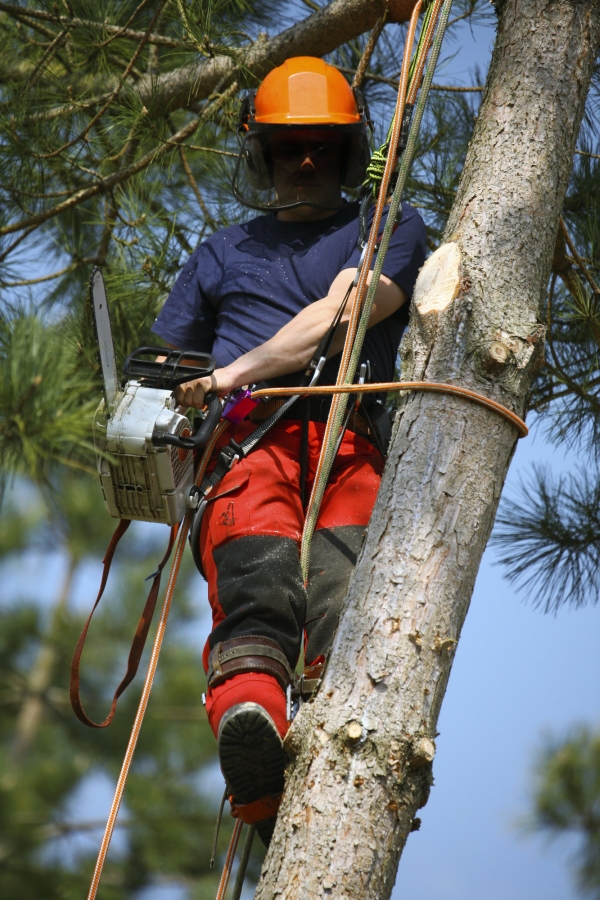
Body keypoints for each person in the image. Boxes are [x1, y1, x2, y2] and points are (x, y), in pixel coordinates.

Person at [152, 56, 426, 845]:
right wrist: (183, 395)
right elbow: (166, 371)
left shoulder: (385, 227)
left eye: (321, 148)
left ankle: (346, 759)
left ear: (348, 154)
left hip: (345, 437)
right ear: (260, 155)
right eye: (286, 147)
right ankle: (254, 738)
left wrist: (234, 369)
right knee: (259, 574)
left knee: (352, 597)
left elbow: (349, 310)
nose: (304, 162)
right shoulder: (220, 254)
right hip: (249, 446)